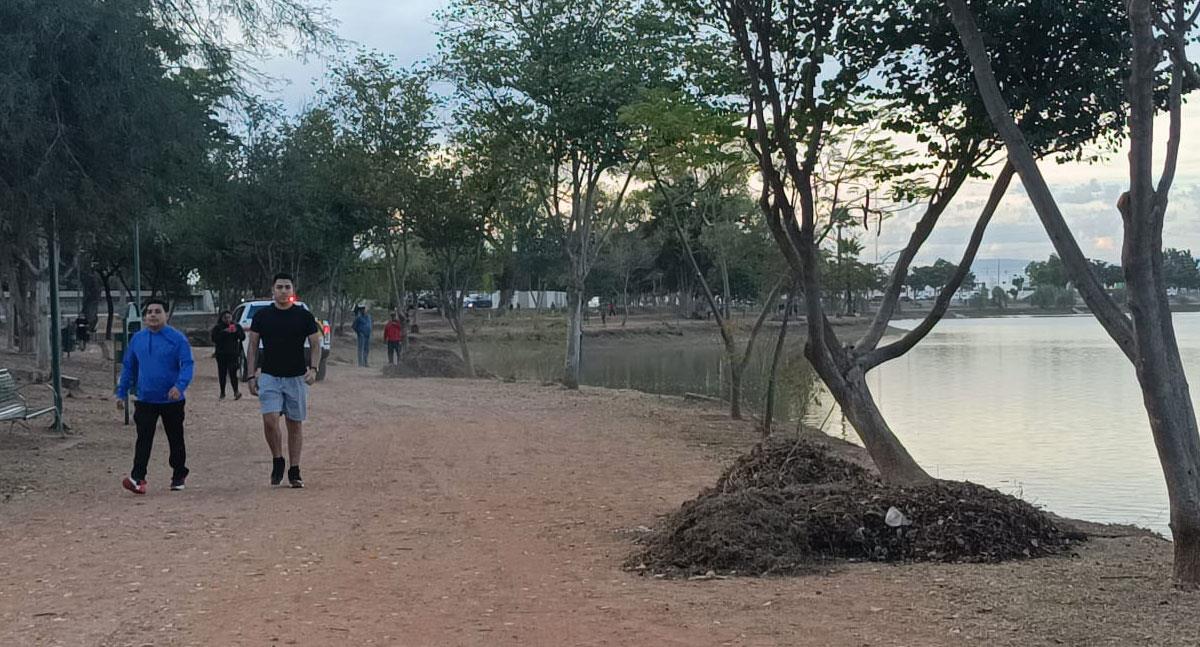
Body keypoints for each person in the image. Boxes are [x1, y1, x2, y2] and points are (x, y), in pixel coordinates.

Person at [244, 273, 322, 488]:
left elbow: (316, 344)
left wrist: (314, 369)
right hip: (269, 376)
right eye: (279, 287)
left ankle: (294, 469)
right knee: (269, 420)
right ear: (273, 290)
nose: (283, 291)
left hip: (296, 377)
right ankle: (278, 459)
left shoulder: (303, 316)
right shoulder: (263, 316)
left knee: (294, 424)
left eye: (287, 287)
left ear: (292, 290)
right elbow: (252, 347)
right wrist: (251, 375)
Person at [114, 299, 194, 494]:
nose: (152, 315)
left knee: (175, 438)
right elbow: (129, 367)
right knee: (143, 439)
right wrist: (121, 392)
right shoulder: (138, 339)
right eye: (149, 311)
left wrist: (180, 386)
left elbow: (188, 364)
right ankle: (137, 478)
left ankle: (178, 474)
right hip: (145, 399)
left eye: (157, 311)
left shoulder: (177, 339)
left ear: (165, 315)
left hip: (171, 399)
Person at [210, 310, 245, 400]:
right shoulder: (218, 328)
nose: (227, 319)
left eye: (229, 317)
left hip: (233, 354)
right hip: (221, 354)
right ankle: (222, 393)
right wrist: (224, 332)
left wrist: (236, 332)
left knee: (233, 373)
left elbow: (242, 337)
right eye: (225, 318)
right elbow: (214, 339)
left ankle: (236, 392)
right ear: (222, 318)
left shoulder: (236, 326)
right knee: (222, 373)